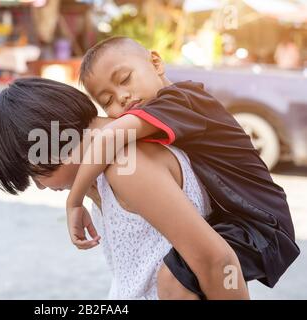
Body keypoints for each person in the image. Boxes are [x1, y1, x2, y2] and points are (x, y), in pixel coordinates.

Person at [65, 36, 299, 299]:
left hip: (261, 222)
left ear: (156, 63)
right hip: (234, 219)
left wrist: (74, 201)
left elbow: (109, 136)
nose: (121, 97)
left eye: (124, 79)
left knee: (179, 278)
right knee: (193, 270)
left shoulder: (182, 100)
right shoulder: (164, 109)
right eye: (107, 101)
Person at [0, 77, 248, 299]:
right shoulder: (101, 173)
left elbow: (217, 261)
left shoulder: (125, 167)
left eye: (35, 175)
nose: (40, 186)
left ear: (51, 146)